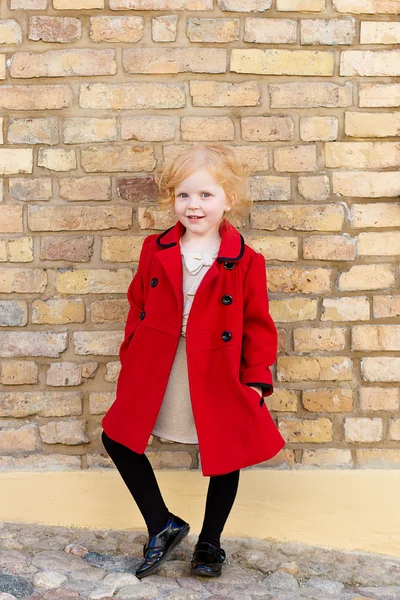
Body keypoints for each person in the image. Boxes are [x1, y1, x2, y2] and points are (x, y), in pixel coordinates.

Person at [101, 143, 286, 579]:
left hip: (217, 368)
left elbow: (258, 323)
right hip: (158, 364)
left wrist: (257, 380)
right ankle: (162, 524)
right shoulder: (156, 248)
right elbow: (137, 303)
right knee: (117, 438)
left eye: (206, 195)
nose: (194, 205)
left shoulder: (245, 260)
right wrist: (131, 357)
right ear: (172, 201)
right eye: (184, 195)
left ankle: (210, 543)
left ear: (228, 200)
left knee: (226, 452)